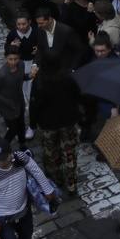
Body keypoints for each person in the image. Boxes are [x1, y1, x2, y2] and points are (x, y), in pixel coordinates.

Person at [30, 60, 83, 193]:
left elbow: (35, 103)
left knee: (51, 152)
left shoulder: (40, 80)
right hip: (68, 122)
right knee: (69, 152)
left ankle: (57, 179)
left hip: (48, 124)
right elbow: (78, 96)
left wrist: (33, 122)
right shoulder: (69, 77)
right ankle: (71, 184)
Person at [33, 2, 85, 73]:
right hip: (48, 72)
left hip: (65, 72)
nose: (39, 26)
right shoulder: (40, 31)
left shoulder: (66, 31)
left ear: (50, 19)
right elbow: (40, 48)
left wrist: (73, 68)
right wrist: (35, 64)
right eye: (38, 23)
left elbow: (79, 50)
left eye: (41, 23)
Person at [0, 46, 28, 148]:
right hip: (7, 107)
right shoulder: (2, 75)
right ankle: (3, 147)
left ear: (19, 58)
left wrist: (29, 76)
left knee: (21, 124)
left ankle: (22, 144)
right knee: (13, 129)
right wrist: (7, 102)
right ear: (6, 58)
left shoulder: (21, 65)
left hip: (19, 102)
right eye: (10, 59)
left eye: (15, 59)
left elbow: (21, 77)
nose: (13, 62)